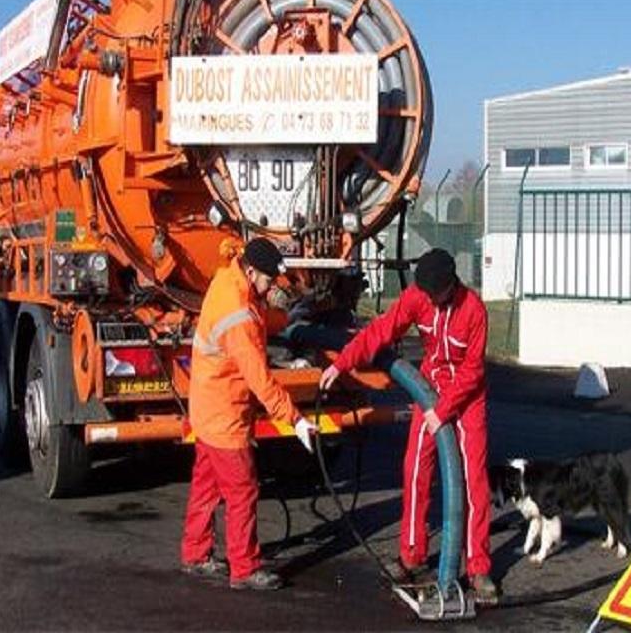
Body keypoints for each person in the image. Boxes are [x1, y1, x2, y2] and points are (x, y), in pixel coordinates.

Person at [319, 248, 498, 605]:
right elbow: (381, 330)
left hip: (465, 400)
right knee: (415, 469)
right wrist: (342, 364)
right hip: (428, 390)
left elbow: (473, 370)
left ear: (451, 286)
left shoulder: (474, 310)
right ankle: (412, 554)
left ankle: (478, 566)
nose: (429, 299)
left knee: (473, 480)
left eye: (436, 294)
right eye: (426, 294)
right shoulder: (418, 296)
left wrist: (444, 409)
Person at [181, 237, 317, 591]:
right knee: (242, 490)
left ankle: (196, 553)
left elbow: (255, 317)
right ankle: (245, 567)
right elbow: (259, 377)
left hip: (207, 406)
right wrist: (296, 419)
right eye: (269, 281)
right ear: (252, 271)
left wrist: (285, 318)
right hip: (225, 414)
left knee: (206, 485)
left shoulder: (230, 281)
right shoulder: (236, 311)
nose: (271, 286)